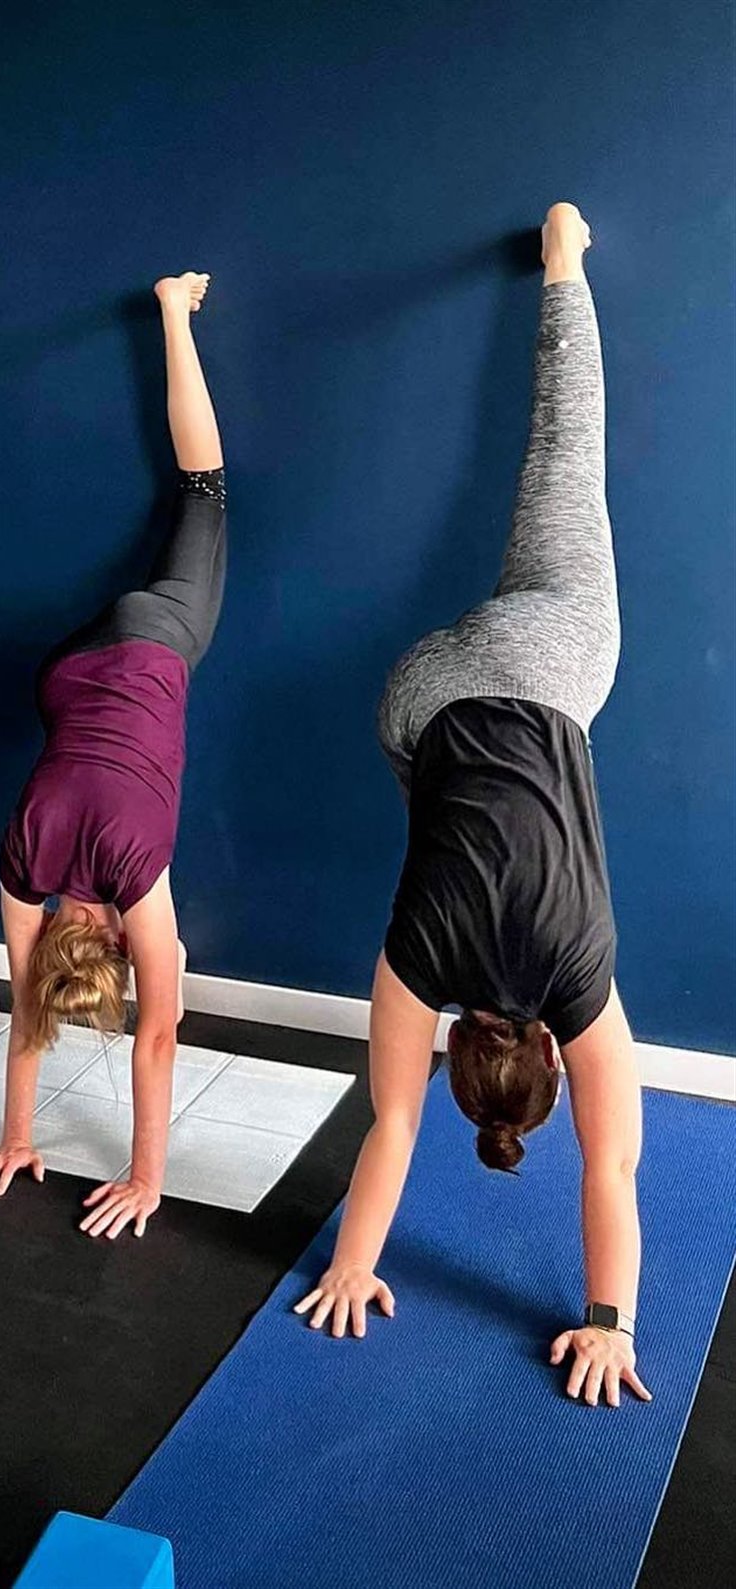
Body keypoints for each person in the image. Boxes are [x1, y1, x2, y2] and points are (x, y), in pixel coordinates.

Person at [296, 204, 650, 1410]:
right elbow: (391, 1125)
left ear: (544, 1047)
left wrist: (608, 1321)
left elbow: (611, 1162)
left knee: (566, 458)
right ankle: (563, 260)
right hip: (421, 694)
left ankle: (563, 261)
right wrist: (351, 1265)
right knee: (429, 795)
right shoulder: (418, 962)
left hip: (549, 666)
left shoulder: (581, 976)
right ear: (461, 1045)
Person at [0, 271, 226, 1240]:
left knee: (204, 490)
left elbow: (159, 1033)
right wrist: (15, 1134)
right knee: (181, 518)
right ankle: (171, 313)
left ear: (108, 936)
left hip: (154, 644)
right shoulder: (21, 863)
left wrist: (146, 1176)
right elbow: (23, 1009)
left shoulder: (134, 873)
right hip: (64, 670)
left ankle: (172, 309)